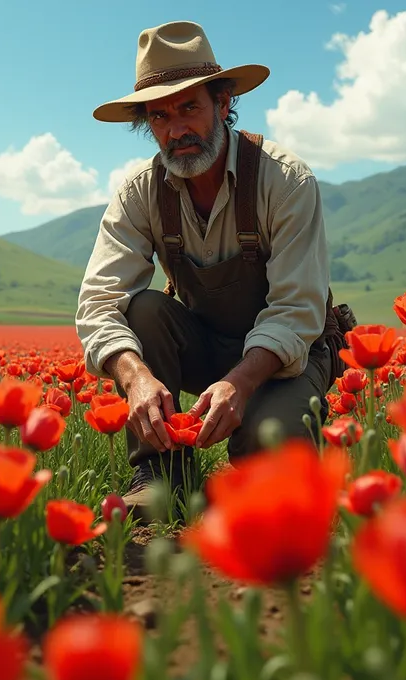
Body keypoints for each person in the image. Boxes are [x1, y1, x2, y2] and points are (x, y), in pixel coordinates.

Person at [76, 20, 348, 514]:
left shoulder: (285, 181)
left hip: (288, 360)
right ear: (146, 124)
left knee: (268, 452)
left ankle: (280, 450)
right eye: (159, 116)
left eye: (188, 108)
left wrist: (241, 384)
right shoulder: (140, 193)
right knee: (143, 310)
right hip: (205, 346)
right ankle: (160, 477)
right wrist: (134, 375)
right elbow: (99, 300)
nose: (176, 129)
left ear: (223, 103)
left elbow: (297, 309)